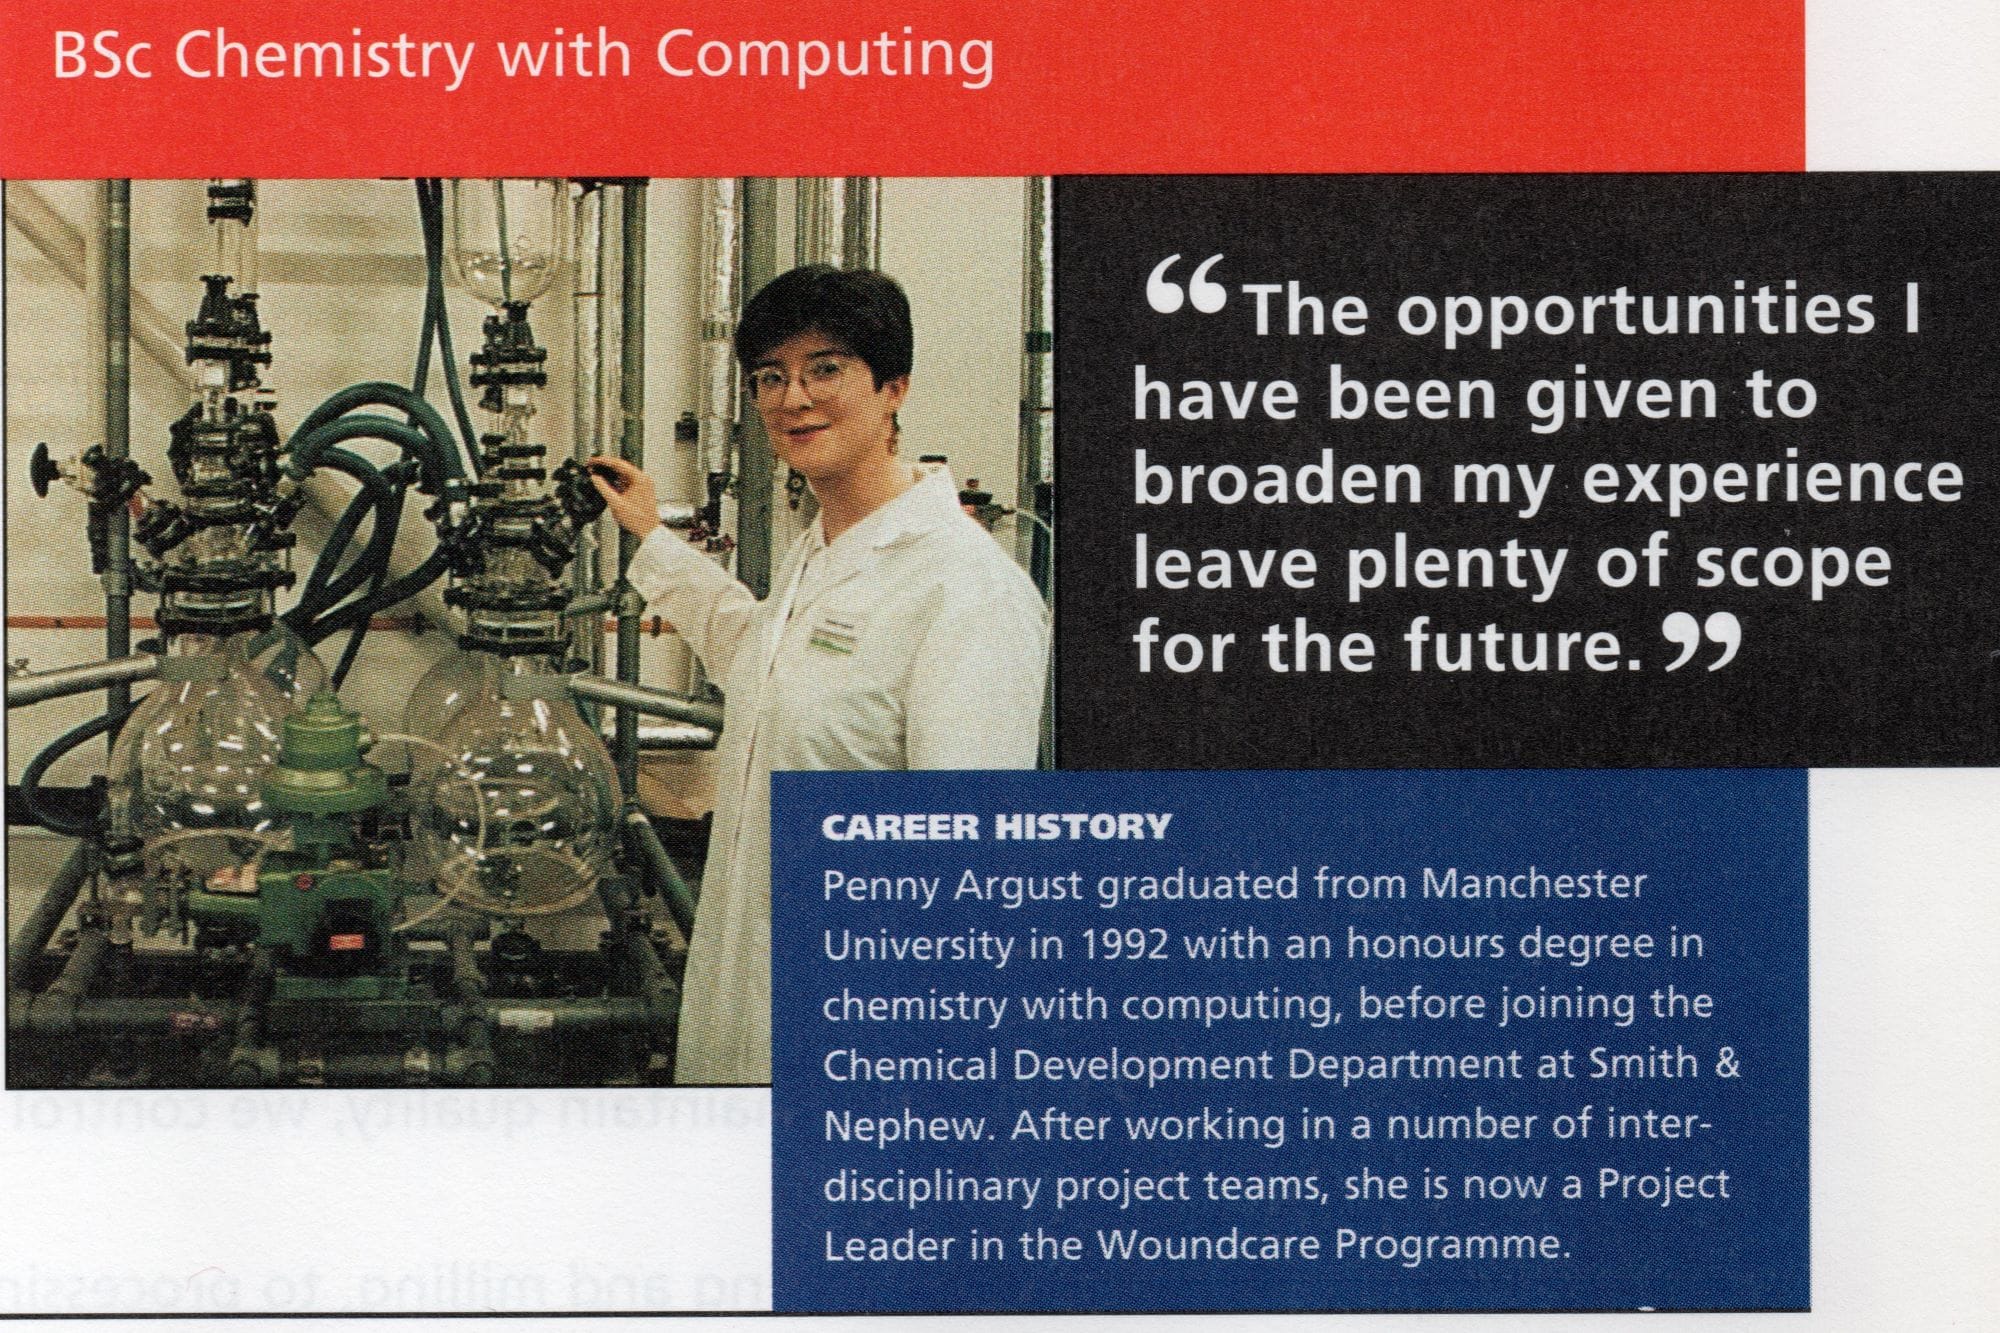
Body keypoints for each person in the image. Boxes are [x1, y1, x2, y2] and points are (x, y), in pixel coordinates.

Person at [591, 265, 1049, 1085]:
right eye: (771, 376)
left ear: (894, 388)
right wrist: (653, 537)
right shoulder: (825, 552)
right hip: (743, 1005)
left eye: (825, 369)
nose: (792, 397)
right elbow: (761, 662)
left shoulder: (965, 591)